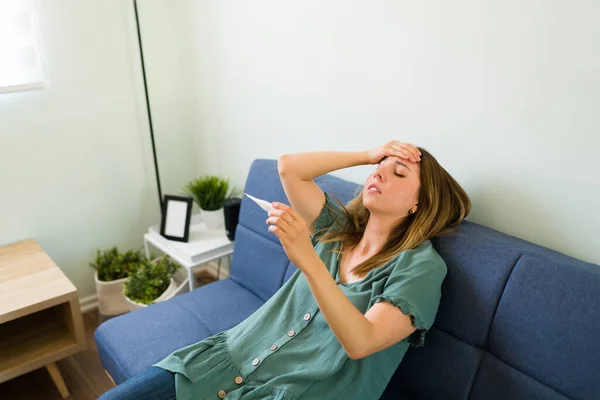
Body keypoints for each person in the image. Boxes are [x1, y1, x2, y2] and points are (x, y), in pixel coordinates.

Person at [98, 141, 471, 400]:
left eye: (399, 174)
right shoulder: (338, 229)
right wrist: (368, 153)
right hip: (224, 362)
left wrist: (308, 261)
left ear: (419, 204)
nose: (378, 175)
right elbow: (289, 167)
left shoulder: (420, 268)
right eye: (378, 169)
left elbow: (363, 341)